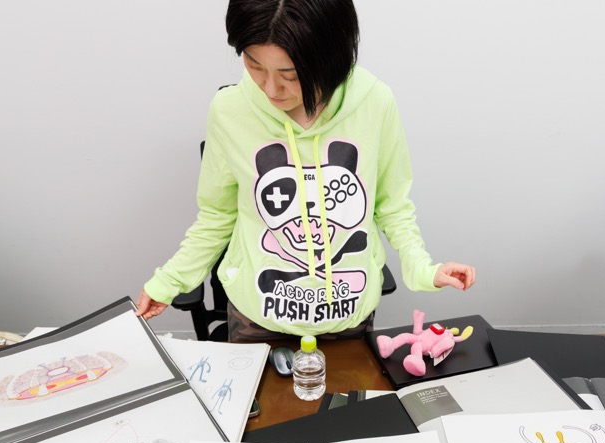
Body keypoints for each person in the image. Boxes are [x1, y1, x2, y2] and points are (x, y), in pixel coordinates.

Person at [135, 0, 476, 341]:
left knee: (349, 380)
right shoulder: (229, 110)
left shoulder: (375, 102)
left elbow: (392, 205)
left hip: (349, 314)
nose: (270, 89)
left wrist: (422, 267)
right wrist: (169, 280)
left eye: (290, 75)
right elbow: (217, 215)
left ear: (331, 58)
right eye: (254, 65)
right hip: (256, 314)